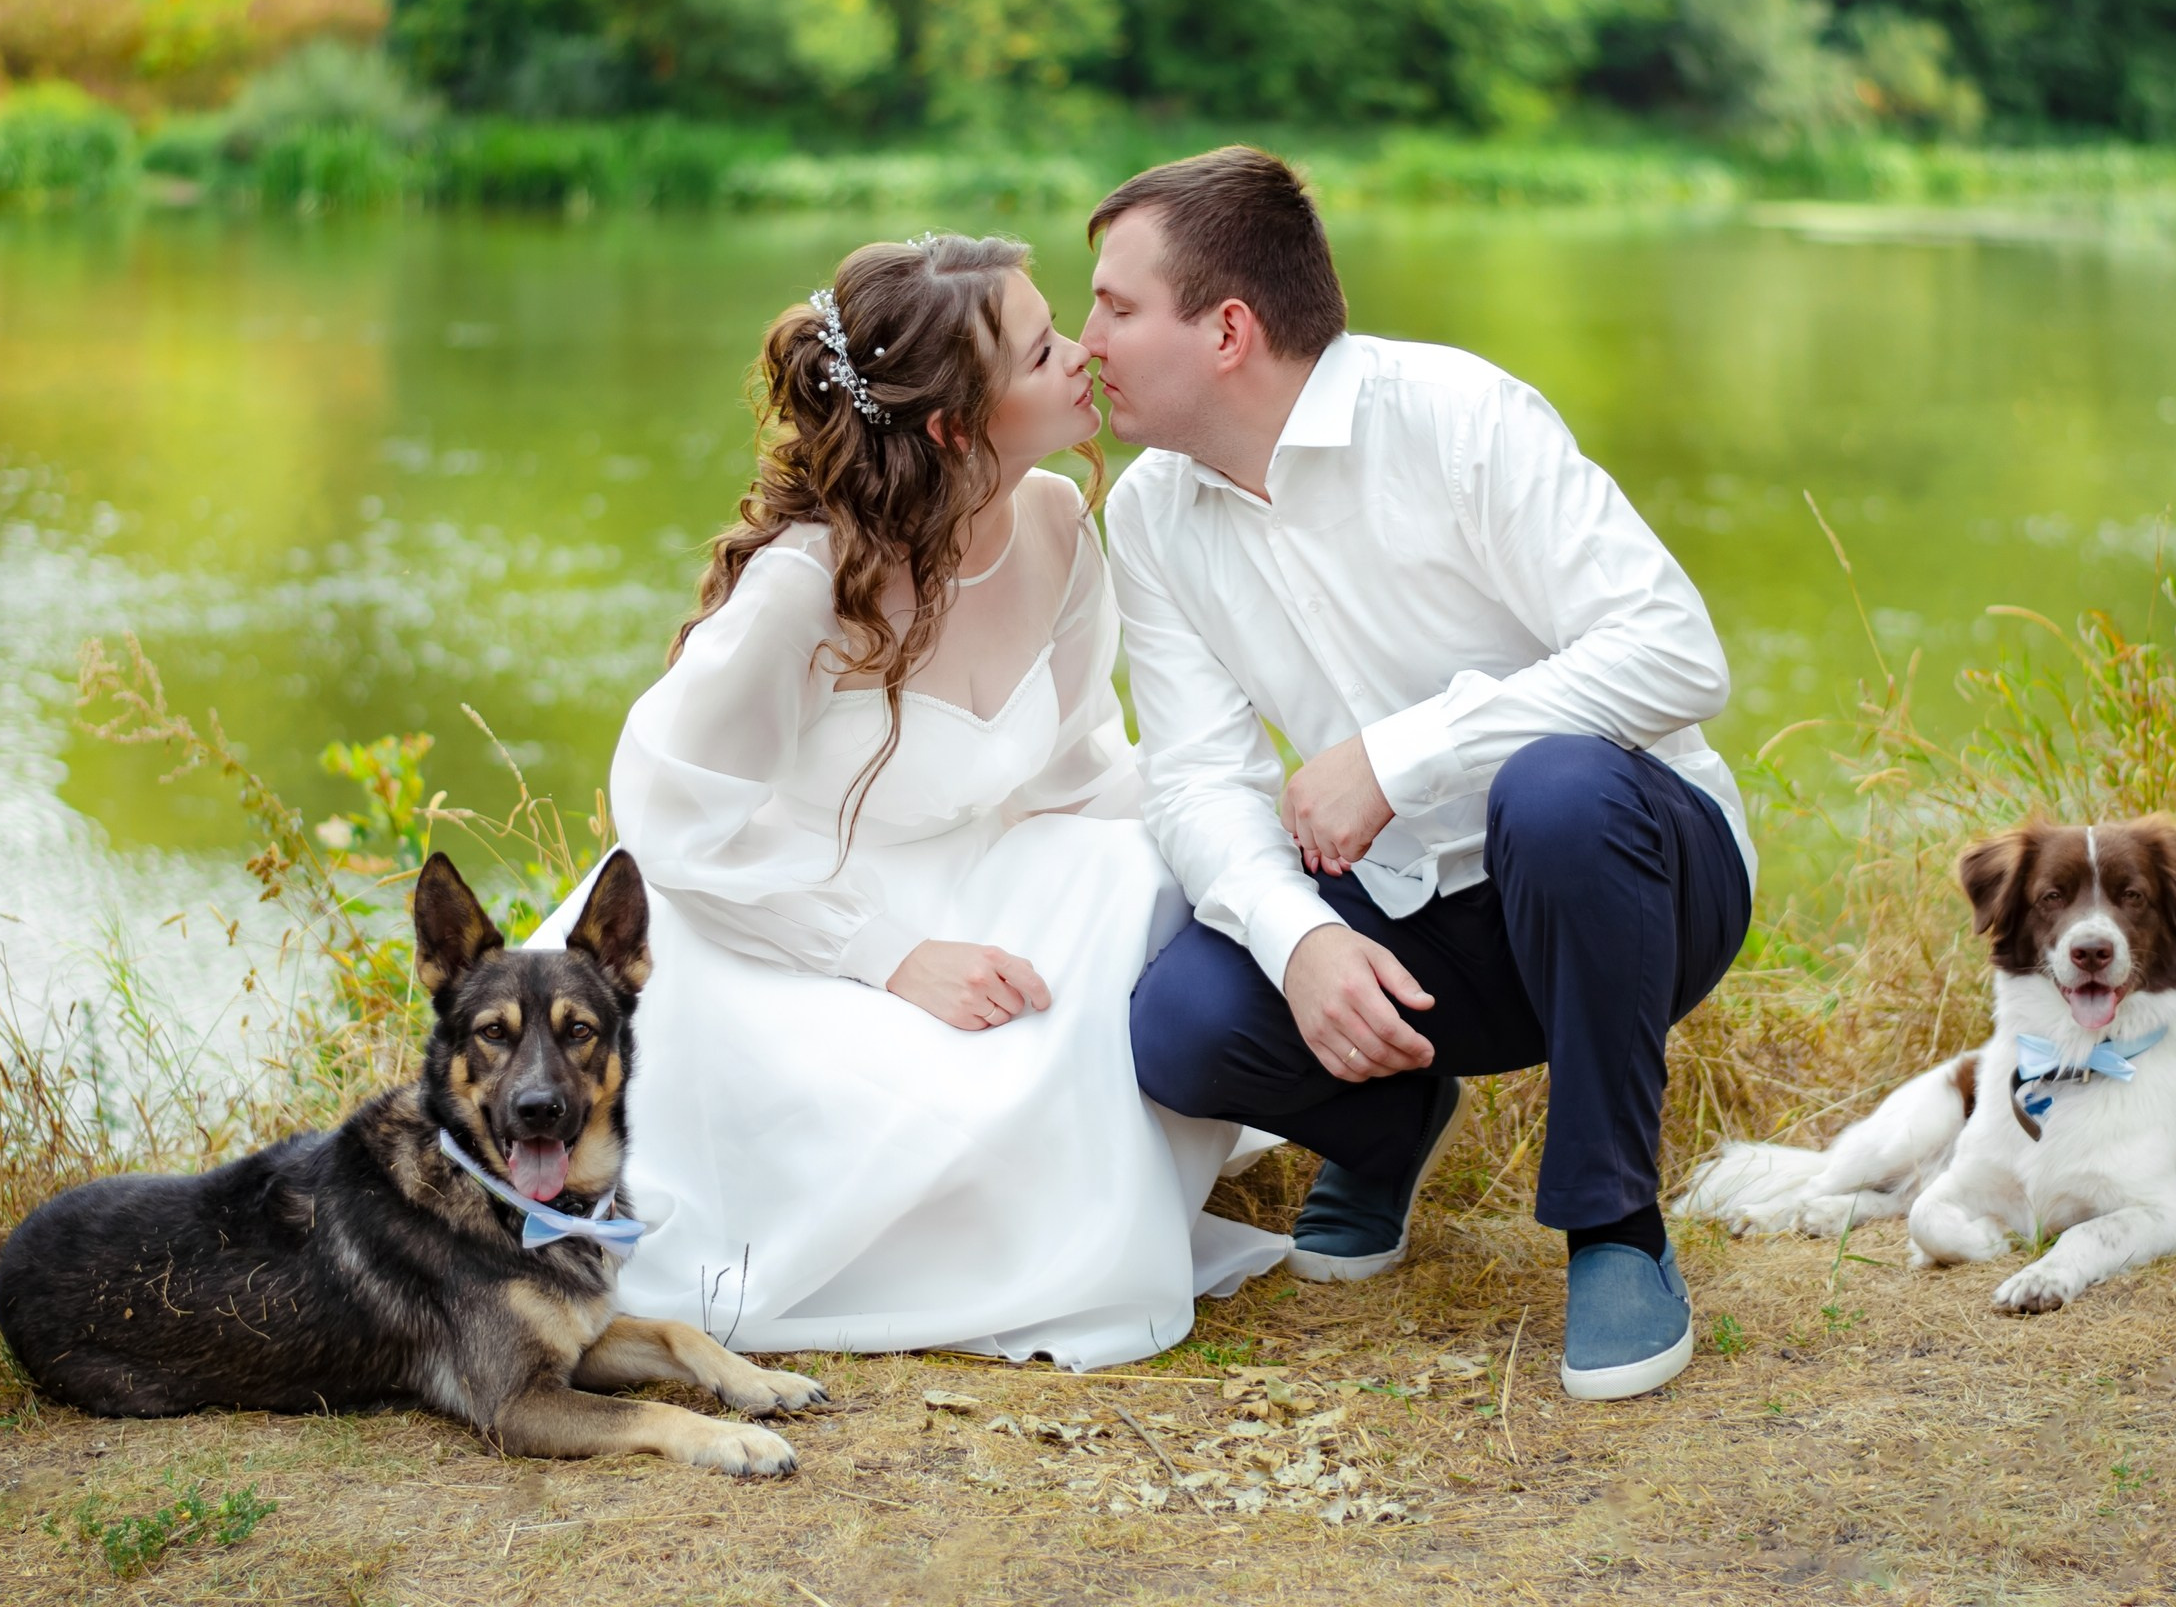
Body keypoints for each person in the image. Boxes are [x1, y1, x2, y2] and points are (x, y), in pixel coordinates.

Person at [531, 233, 1286, 1370]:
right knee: (927, 1107)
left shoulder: (1061, 528)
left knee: (1142, 873)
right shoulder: (806, 584)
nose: (1084, 354)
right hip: (776, 919)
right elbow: (674, 817)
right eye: (1043, 353)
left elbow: (1077, 773)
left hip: (979, 872)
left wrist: (1246, 826)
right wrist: (887, 952)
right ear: (953, 425)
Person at [1088, 148, 1755, 1400]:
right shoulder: (1151, 515)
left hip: (1635, 882)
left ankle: (1615, 1227)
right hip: (1408, 920)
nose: (1086, 343)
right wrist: (1299, 944)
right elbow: (1194, 781)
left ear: (1226, 329)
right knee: (1181, 1025)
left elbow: (1675, 652)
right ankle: (1387, 1123)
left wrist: (1401, 757)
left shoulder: (1456, 415)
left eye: (1115, 307)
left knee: (1554, 792)